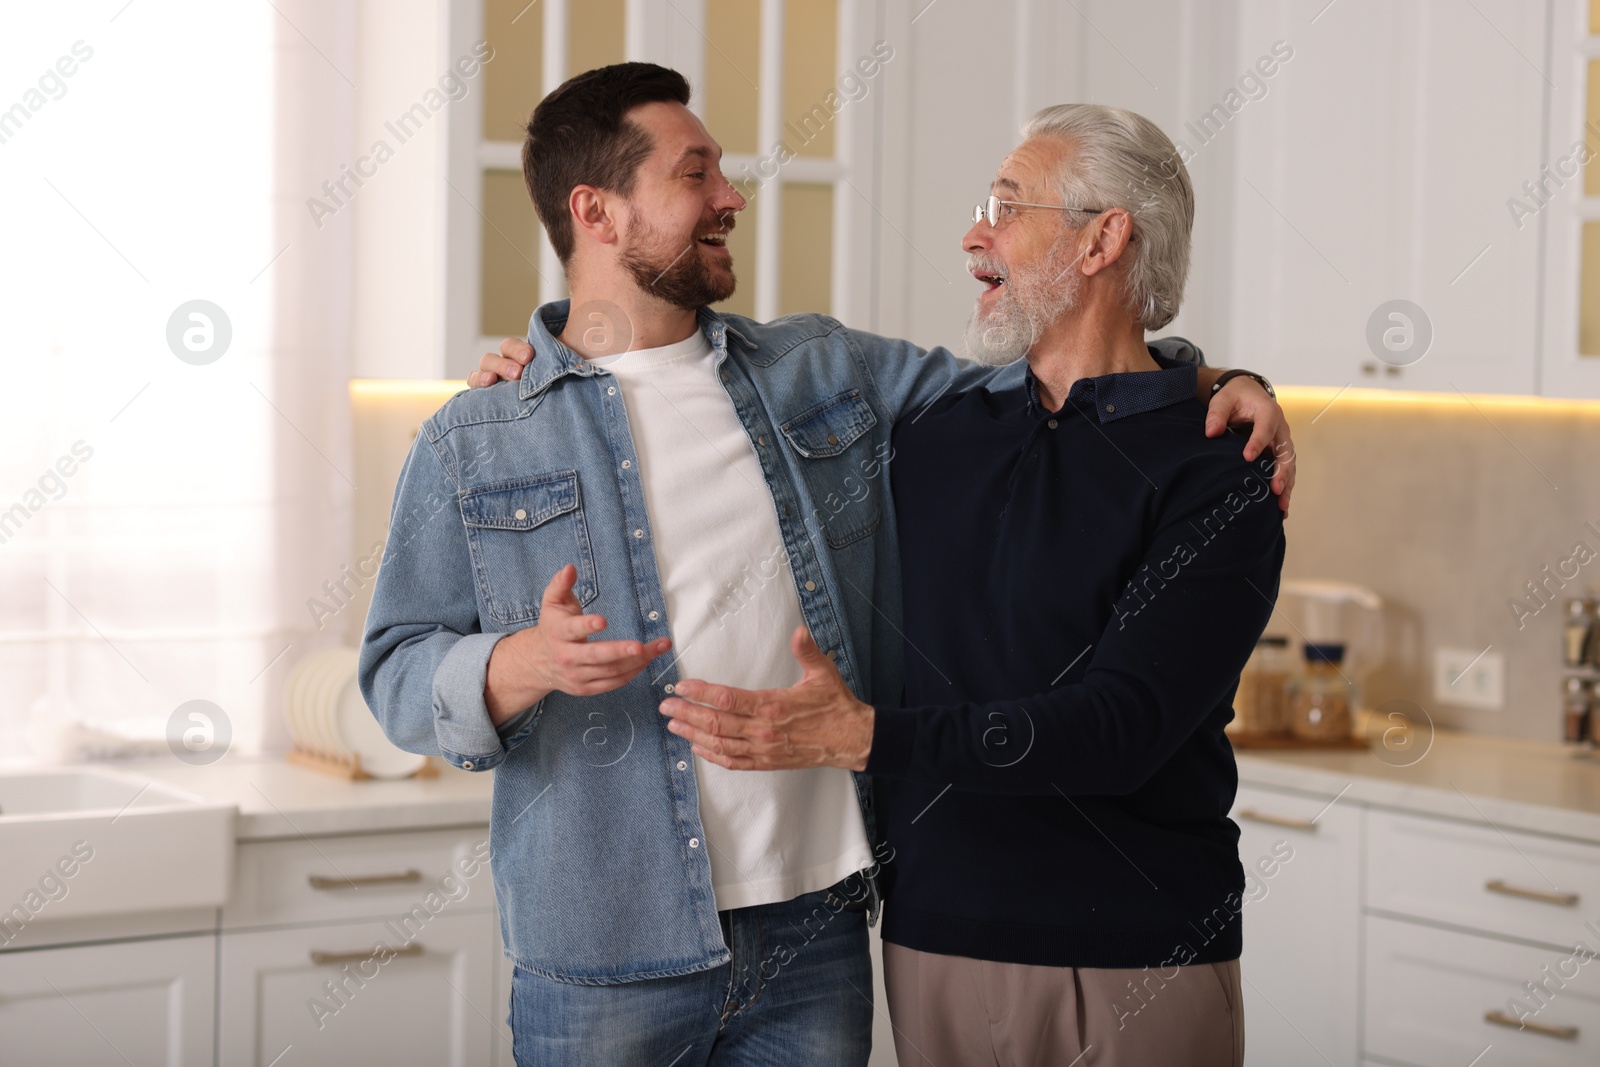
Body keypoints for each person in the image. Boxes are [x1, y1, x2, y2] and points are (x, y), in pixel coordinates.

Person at [368, 62, 1292, 1066]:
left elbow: (1079, 376)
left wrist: (1225, 379)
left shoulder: (825, 375)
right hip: (610, 952)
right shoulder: (481, 435)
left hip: (818, 932)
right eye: (696, 175)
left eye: (722, 171)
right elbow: (396, 670)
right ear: (598, 210)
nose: (731, 197)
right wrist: (519, 663)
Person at [658, 104, 1285, 1067]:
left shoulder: (1218, 471)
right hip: (933, 941)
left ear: (1104, 239)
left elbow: (1120, 727)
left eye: (1007, 206)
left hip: (1133, 958)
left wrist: (865, 736)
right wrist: (543, 360)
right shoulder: (936, 431)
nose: (973, 234)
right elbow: (706, 372)